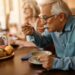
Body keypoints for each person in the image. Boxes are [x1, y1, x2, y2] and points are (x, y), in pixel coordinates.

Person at [22, 0, 75, 70]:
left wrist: (56, 63)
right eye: (42, 18)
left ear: (61, 17)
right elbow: (43, 42)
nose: (43, 23)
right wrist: (32, 34)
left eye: (45, 18)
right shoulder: (54, 28)